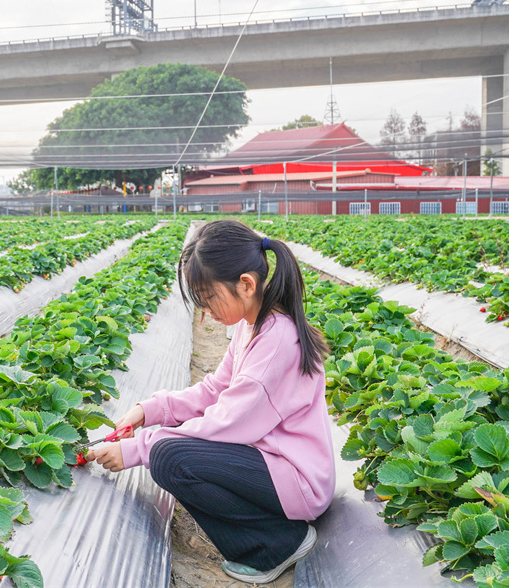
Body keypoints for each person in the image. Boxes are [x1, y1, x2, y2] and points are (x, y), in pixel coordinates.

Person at [86, 219, 335, 584]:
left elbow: (227, 421)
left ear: (246, 284)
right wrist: (150, 411)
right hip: (277, 466)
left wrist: (139, 448)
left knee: (168, 457)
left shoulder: (276, 342)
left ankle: (277, 544)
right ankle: (272, 532)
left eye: (208, 297)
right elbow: (215, 389)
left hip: (297, 482)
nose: (205, 310)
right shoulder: (253, 325)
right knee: (167, 449)